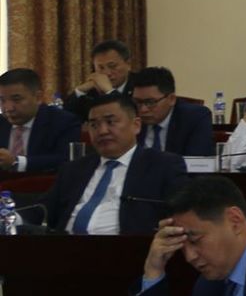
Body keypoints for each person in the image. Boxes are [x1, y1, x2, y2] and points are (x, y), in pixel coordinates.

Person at [45, 93, 190, 234]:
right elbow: (43, 209)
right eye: (94, 125)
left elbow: (182, 216)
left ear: (136, 125)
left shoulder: (163, 165)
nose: (102, 131)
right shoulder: (73, 169)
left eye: (110, 122)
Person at [0, 67, 81, 174]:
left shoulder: (64, 122)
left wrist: (17, 162)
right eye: (2, 100)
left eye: (16, 99)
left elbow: (67, 160)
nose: (8, 108)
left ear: (38, 98)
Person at [129, 66, 216, 158]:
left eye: (150, 102)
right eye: (137, 101)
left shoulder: (195, 118)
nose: (143, 109)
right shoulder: (130, 118)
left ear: (171, 99)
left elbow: (196, 161)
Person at [65, 38, 135, 119]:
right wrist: (80, 90)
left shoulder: (139, 84)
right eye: (101, 68)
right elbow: (67, 117)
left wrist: (109, 91)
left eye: (112, 66)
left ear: (128, 64)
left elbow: (130, 115)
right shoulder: (93, 91)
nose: (107, 73)